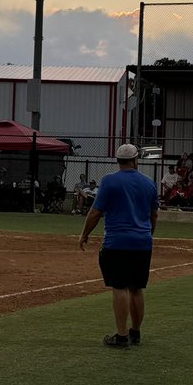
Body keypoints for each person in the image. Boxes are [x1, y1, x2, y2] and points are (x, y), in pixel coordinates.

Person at [78, 143, 160, 349]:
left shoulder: (109, 181)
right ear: (135, 160)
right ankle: (136, 332)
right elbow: (154, 213)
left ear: (118, 161)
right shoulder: (149, 183)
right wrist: (148, 234)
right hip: (142, 243)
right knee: (137, 289)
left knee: (120, 287)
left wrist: (84, 234)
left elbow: (96, 212)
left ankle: (121, 335)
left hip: (117, 242)